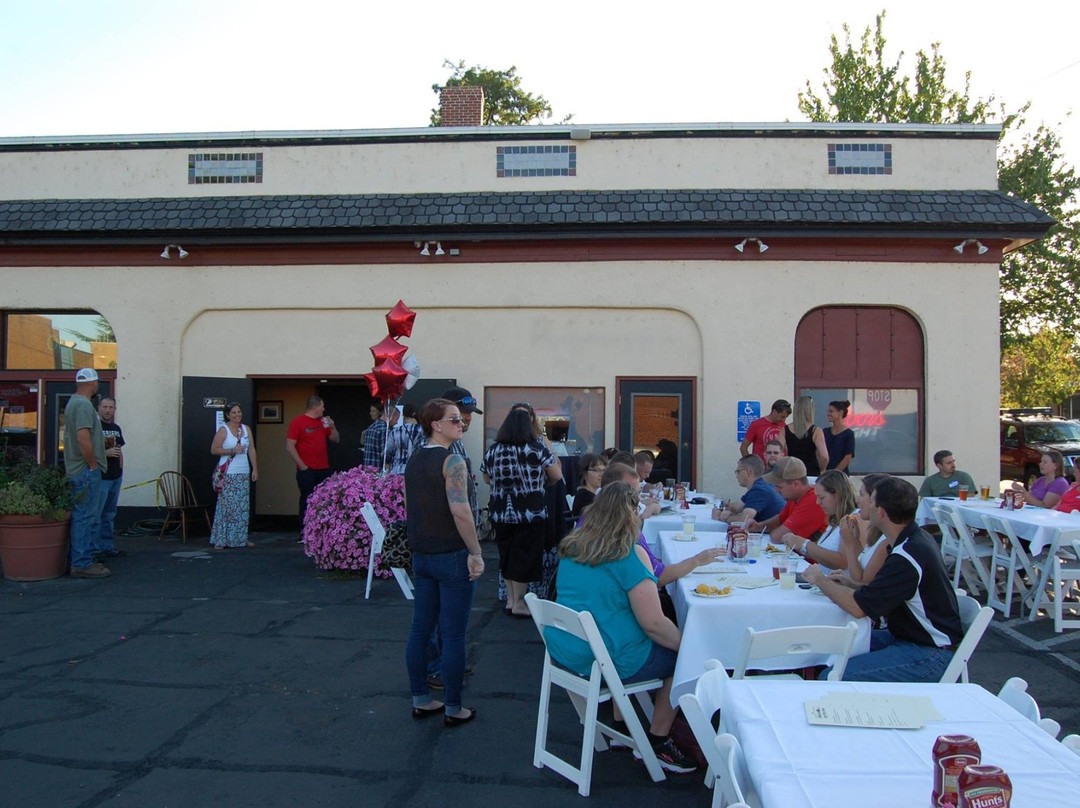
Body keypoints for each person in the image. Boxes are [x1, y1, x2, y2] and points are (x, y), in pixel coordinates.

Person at [545, 482, 698, 774]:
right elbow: (653, 624)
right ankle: (659, 740)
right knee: (682, 658)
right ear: (630, 516)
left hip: (566, 651)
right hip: (604, 658)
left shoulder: (573, 546)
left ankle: (620, 722)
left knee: (623, 625)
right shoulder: (627, 553)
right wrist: (692, 647)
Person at [804, 477, 963, 682]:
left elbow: (858, 607)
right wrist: (851, 583)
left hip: (930, 653)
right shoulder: (911, 540)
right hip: (907, 638)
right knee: (823, 646)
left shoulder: (907, 555)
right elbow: (878, 591)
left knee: (831, 676)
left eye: (869, 500)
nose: (862, 502)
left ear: (880, 512)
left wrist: (820, 579)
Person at [403, 398, 484, 727]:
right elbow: (461, 510)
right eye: (454, 419)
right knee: (452, 635)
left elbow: (411, 507)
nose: (461, 423)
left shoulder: (414, 460)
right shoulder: (453, 463)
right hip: (451, 556)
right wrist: (476, 552)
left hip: (422, 555)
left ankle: (421, 697)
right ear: (436, 424)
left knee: (421, 629)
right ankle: (453, 706)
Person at [482, 408, 562, 617]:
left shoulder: (493, 450)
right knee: (525, 556)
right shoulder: (536, 448)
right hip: (530, 511)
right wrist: (542, 482)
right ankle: (519, 603)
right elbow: (556, 474)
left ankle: (510, 599)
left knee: (506, 555)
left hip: (500, 511)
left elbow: (486, 478)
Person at [64, 368, 109, 579]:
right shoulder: (83, 405)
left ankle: (83, 558)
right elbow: (83, 438)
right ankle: (81, 562)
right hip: (84, 470)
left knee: (83, 515)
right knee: (85, 516)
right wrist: (92, 465)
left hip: (77, 469)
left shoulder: (73, 402)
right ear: (93, 384)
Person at [781, 469, 857, 573]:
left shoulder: (853, 519)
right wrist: (799, 545)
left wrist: (804, 544)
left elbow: (842, 562)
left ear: (838, 495)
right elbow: (823, 554)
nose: (817, 502)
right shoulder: (834, 520)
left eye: (822, 498)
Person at [209, 402, 258, 549]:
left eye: (239, 412)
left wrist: (255, 469)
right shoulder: (224, 430)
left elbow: (251, 450)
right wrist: (231, 450)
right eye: (234, 413)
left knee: (242, 507)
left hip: (243, 472)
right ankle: (221, 539)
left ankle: (240, 538)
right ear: (228, 415)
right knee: (227, 507)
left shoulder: (246, 429)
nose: (237, 415)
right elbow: (214, 449)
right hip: (229, 473)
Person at [286, 396, 340, 525]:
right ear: (315, 407)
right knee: (307, 499)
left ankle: (321, 531)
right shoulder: (298, 422)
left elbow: (335, 439)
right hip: (307, 470)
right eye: (322, 406)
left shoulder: (323, 421)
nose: (324, 408)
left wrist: (332, 427)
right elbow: (289, 446)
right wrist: (302, 466)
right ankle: (304, 531)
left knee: (325, 500)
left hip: (324, 469)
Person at [747, 457, 828, 542]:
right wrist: (759, 526)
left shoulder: (813, 500)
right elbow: (779, 520)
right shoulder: (795, 497)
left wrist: (775, 529)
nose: (776, 491)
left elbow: (777, 537)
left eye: (779, 486)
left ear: (796, 484)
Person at [832, 473, 891, 585]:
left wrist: (848, 544)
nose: (858, 500)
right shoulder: (874, 531)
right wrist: (854, 539)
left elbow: (860, 581)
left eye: (862, 495)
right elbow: (860, 563)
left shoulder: (887, 540)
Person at [93, 396, 126, 561]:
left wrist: (121, 469)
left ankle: (107, 546)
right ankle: (94, 549)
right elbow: (85, 450)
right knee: (97, 514)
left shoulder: (116, 428)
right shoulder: (94, 427)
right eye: (105, 407)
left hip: (115, 477)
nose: (107, 410)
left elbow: (119, 450)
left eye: (111, 407)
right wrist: (104, 454)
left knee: (109, 514)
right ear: (99, 408)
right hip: (101, 477)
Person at [715, 454, 785, 523]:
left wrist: (722, 517)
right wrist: (728, 511)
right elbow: (736, 506)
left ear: (748, 472)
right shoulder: (762, 484)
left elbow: (744, 521)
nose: (736, 476)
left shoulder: (759, 490)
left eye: (738, 472)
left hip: (771, 533)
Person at [782, 395, 828, 477]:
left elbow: (778, 451)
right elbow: (824, 457)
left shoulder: (785, 430)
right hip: (811, 473)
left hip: (792, 473)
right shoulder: (815, 430)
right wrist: (821, 469)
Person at [385, 403, 425, 475]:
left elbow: (388, 452)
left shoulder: (395, 431)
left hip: (397, 471)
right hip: (416, 472)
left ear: (403, 415)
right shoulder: (424, 431)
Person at [824, 399, 856, 473]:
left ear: (840, 413)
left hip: (840, 475)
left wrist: (835, 472)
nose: (828, 414)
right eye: (828, 411)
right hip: (825, 473)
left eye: (831, 411)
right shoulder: (825, 432)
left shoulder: (848, 434)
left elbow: (848, 457)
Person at [363, 404, 398, 469]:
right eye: (396, 419)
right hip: (379, 471)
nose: (396, 422)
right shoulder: (384, 429)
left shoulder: (371, 427)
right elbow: (385, 454)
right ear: (391, 416)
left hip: (368, 470)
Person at [572, 453, 606, 517]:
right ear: (584, 474)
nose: (601, 474)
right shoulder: (585, 498)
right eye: (597, 470)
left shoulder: (591, 495)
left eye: (603, 470)